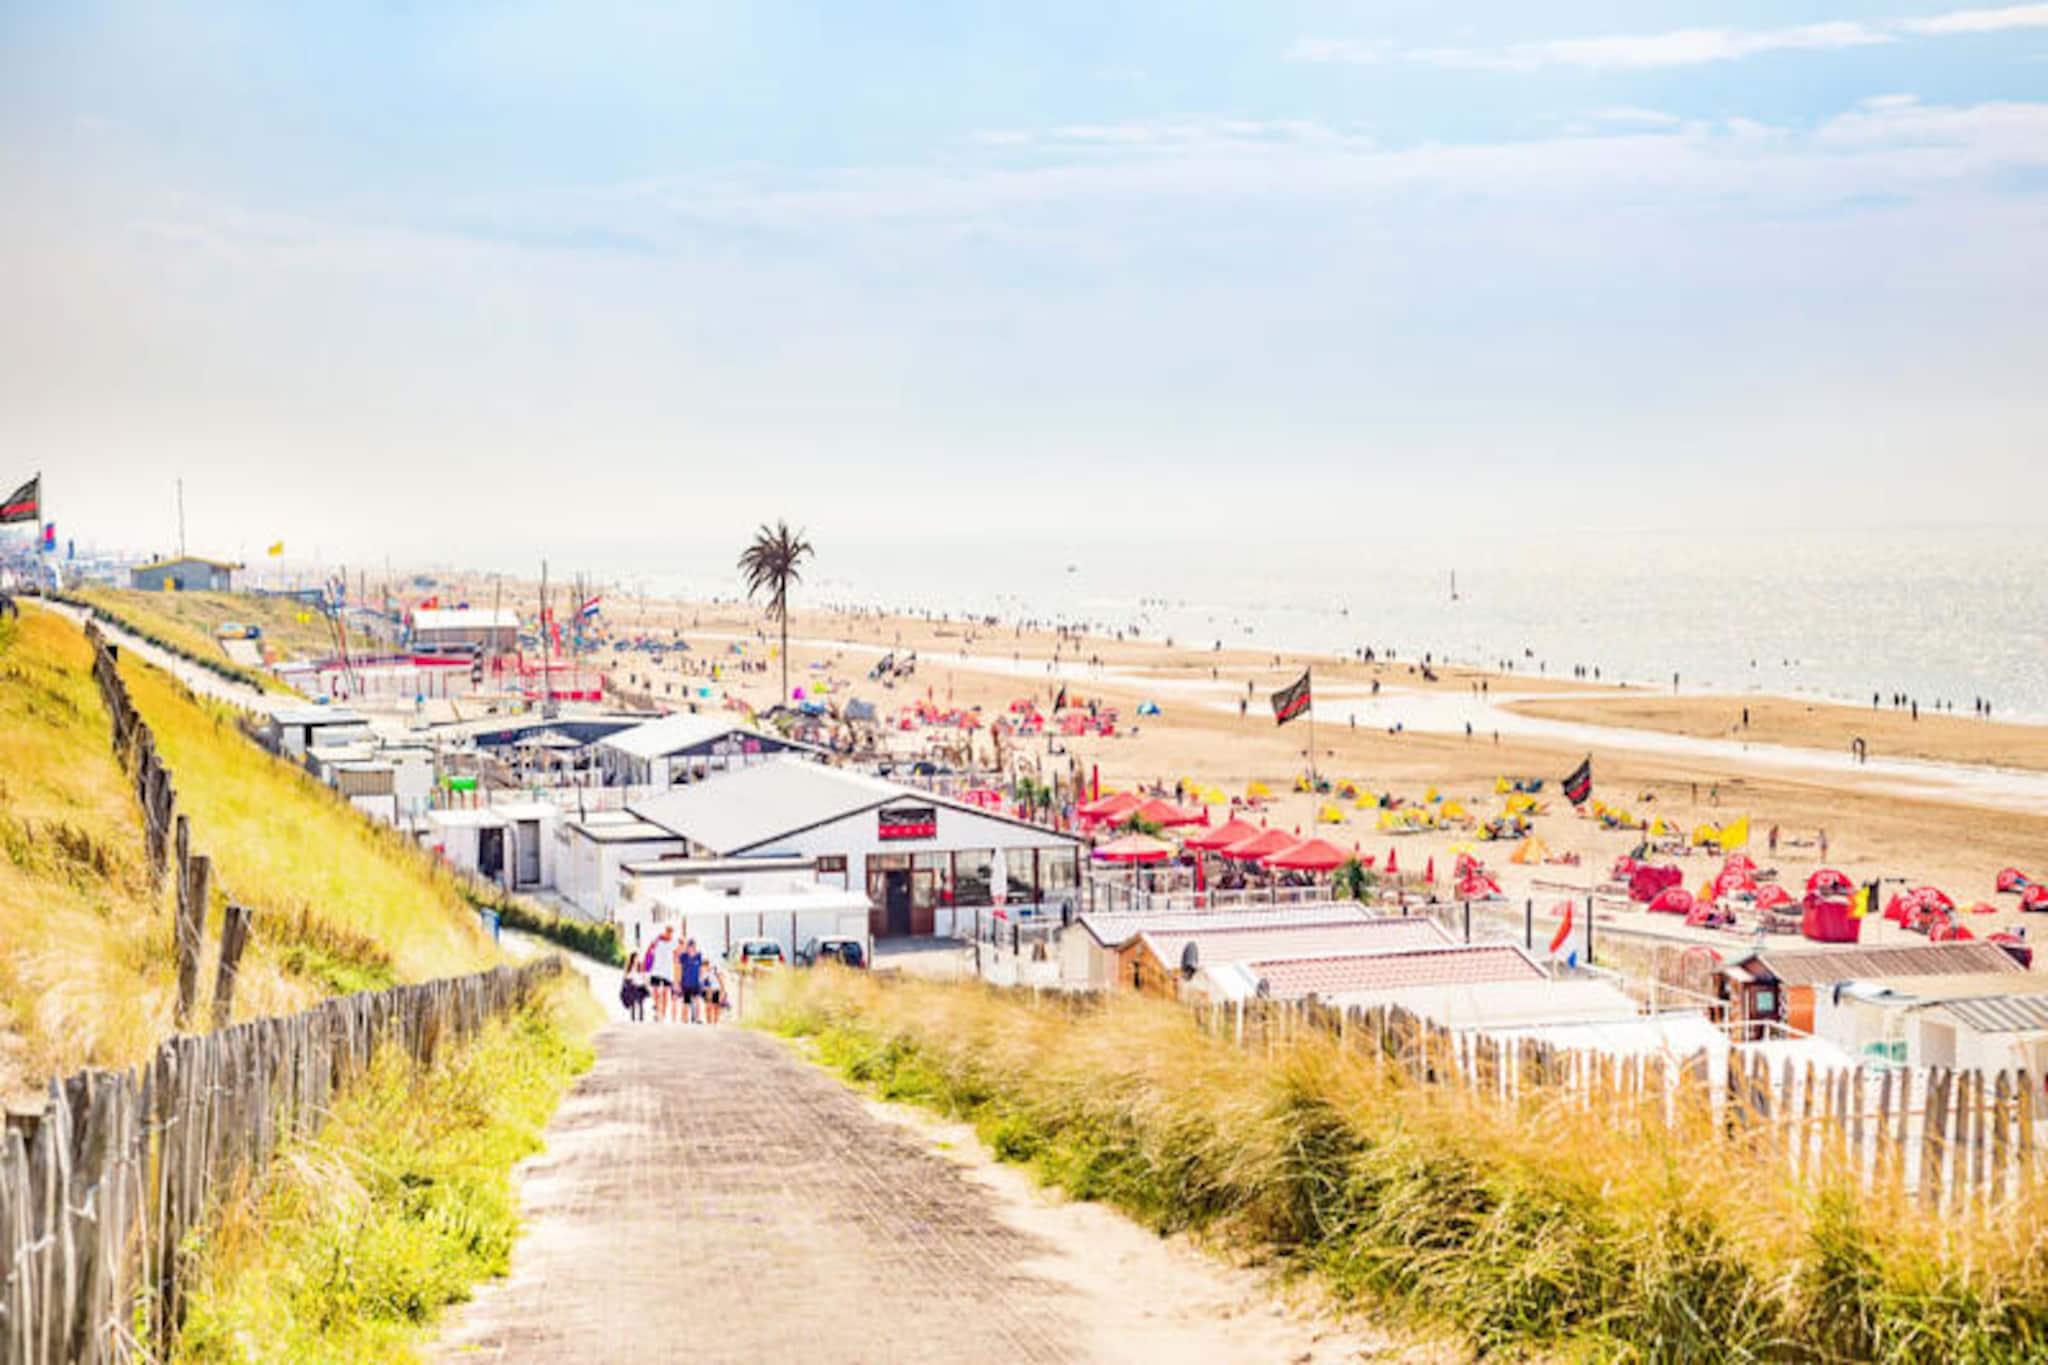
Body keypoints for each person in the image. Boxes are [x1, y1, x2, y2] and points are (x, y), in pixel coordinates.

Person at [642, 926, 675, 1021]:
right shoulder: (657, 940)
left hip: (668, 972)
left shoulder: (674, 942)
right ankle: (657, 1011)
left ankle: (663, 1014)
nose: (669, 933)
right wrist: (644, 967)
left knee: (665, 993)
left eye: (671, 931)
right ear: (665, 931)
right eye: (668, 931)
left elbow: (678, 954)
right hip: (656, 970)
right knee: (655, 991)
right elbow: (648, 952)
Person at [677, 936, 705, 1023]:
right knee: (686, 1001)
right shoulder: (683, 956)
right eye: (689, 946)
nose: (691, 948)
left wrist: (701, 980)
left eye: (693, 946)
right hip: (686, 983)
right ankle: (684, 1019)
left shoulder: (699, 956)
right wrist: (678, 982)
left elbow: (701, 969)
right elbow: (679, 969)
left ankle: (698, 1018)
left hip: (696, 982)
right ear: (687, 947)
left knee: (697, 1000)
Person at [701, 956, 726, 1025]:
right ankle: (709, 1023)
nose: (704, 968)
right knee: (708, 1007)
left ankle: (715, 1023)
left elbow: (721, 981)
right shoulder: (704, 973)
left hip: (716, 990)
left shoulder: (715, 970)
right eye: (703, 967)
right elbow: (703, 983)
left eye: (705, 966)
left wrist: (722, 991)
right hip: (708, 991)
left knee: (715, 1007)